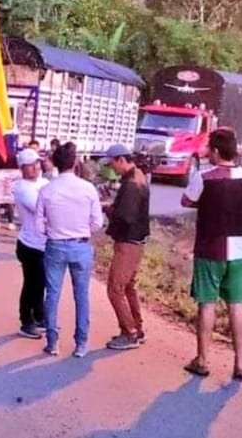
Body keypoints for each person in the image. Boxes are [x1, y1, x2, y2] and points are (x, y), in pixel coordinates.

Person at [181, 128, 242, 381]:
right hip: (239, 248)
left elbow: (186, 201)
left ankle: (202, 360)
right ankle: (241, 364)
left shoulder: (204, 177)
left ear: (214, 151)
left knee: (207, 303)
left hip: (209, 247)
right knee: (237, 305)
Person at [36, 142, 104, 358]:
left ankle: (52, 342)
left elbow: (39, 225)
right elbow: (97, 223)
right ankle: (81, 344)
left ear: (55, 163)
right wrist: (82, 230)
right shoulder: (88, 188)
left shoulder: (46, 190)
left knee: (52, 294)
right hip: (80, 245)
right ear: (75, 162)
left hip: (55, 245)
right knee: (81, 295)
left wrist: (54, 231)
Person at [101, 144, 151, 351]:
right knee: (128, 287)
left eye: (112, 163)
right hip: (136, 241)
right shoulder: (138, 177)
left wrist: (109, 209)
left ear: (121, 160)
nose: (111, 168)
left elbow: (125, 217)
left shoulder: (131, 184)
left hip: (128, 242)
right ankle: (136, 328)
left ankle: (129, 333)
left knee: (115, 289)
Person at [11, 148, 49, 340]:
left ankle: (39, 317)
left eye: (36, 163)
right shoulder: (22, 188)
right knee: (31, 283)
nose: (35, 167)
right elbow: (40, 208)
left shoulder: (44, 183)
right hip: (30, 243)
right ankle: (26, 321)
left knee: (41, 282)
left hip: (44, 243)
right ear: (22, 168)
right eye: (29, 165)